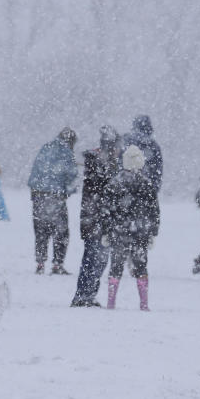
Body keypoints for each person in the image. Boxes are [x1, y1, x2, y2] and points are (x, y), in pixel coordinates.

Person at [71, 125, 122, 307]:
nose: (119, 150)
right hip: (97, 220)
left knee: (97, 259)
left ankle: (88, 295)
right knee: (94, 259)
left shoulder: (103, 164)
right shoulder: (100, 165)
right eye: (116, 146)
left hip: (97, 220)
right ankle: (83, 296)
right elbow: (105, 193)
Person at [105, 145, 157, 311]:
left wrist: (107, 230)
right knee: (141, 266)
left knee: (116, 266)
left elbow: (107, 209)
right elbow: (154, 211)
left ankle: (111, 302)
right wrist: (152, 232)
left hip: (118, 231)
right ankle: (144, 303)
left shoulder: (115, 182)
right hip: (140, 232)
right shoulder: (147, 183)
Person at [27, 127, 79, 275]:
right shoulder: (67, 153)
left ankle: (40, 263)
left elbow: (35, 170)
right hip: (55, 196)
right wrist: (68, 191)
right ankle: (57, 264)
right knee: (61, 232)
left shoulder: (46, 147)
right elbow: (72, 175)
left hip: (38, 194)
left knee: (40, 230)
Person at [122, 115, 163, 235]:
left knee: (123, 226)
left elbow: (119, 163)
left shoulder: (126, 140)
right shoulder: (153, 145)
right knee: (142, 232)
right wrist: (154, 188)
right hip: (145, 191)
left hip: (125, 189)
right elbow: (158, 170)